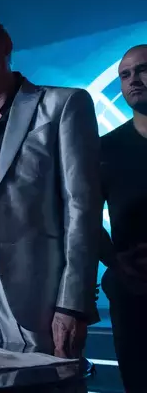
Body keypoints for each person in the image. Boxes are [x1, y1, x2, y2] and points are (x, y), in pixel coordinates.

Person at [0, 12, 101, 357]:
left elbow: (81, 211)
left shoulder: (63, 105)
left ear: (5, 46)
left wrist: (73, 303)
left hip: (39, 293)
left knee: (47, 381)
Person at [100, 44, 147, 391]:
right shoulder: (105, 148)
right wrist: (116, 263)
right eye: (125, 74)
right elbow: (83, 217)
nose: (134, 80)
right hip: (133, 293)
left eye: (142, 69)